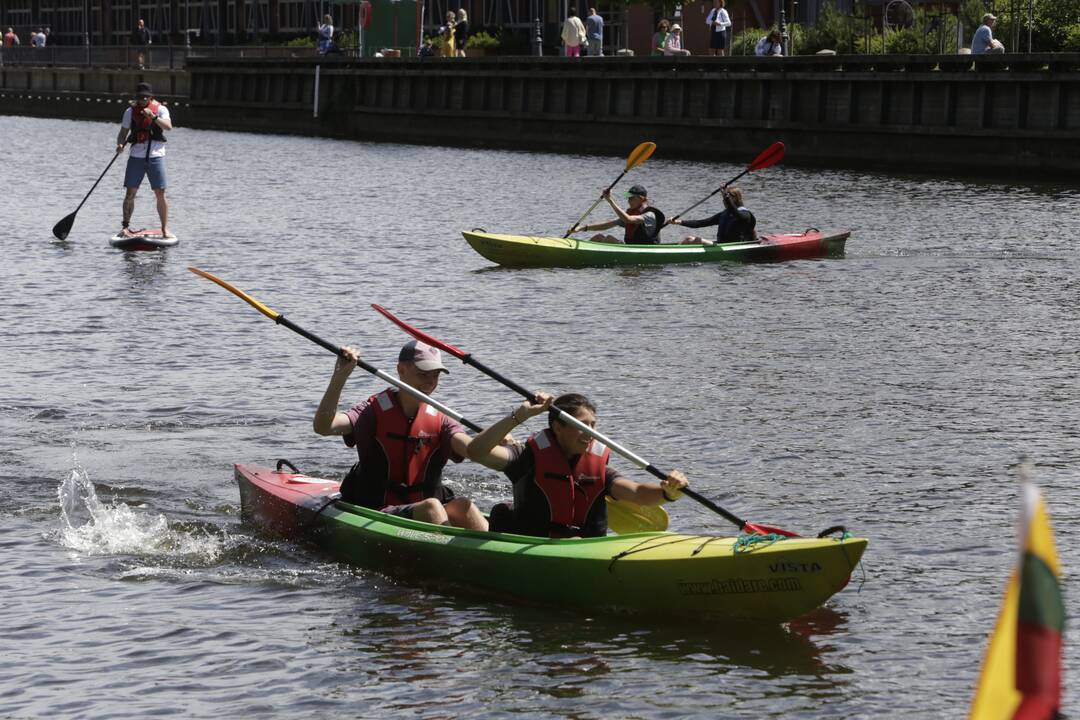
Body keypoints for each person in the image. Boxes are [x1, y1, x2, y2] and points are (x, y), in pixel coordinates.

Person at [313, 341, 488, 531]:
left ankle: (490, 555)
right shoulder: (371, 411)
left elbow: (473, 450)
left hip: (423, 508)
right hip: (377, 510)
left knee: (464, 507)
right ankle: (454, 556)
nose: (430, 382)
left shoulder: (441, 419)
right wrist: (340, 376)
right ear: (401, 370)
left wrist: (496, 437)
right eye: (422, 374)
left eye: (435, 375)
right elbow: (324, 426)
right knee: (432, 508)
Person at [467, 392, 690, 538]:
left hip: (584, 547)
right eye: (583, 425)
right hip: (536, 546)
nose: (590, 433)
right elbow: (476, 451)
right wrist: (521, 415)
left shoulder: (597, 467)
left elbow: (638, 493)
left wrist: (668, 492)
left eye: (594, 425)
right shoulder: (526, 458)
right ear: (558, 428)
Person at [115, 82, 173, 238]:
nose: (142, 100)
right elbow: (123, 133)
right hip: (136, 156)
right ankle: (125, 227)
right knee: (130, 193)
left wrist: (153, 117)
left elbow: (168, 127)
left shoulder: (160, 109)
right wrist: (120, 144)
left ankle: (164, 228)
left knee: (160, 192)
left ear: (151, 97)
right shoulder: (130, 111)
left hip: (156, 156)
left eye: (146, 97)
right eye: (140, 98)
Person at [573, 185, 664, 244]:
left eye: (631, 198)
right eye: (628, 198)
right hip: (631, 249)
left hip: (644, 250)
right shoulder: (632, 214)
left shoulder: (649, 215)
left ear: (642, 199)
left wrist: (610, 200)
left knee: (609, 239)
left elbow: (628, 219)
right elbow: (607, 225)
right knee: (598, 237)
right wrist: (582, 228)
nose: (628, 201)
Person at [671, 186, 756, 246]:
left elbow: (736, 213)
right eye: (723, 199)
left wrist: (726, 196)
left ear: (736, 198)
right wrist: (679, 222)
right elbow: (701, 223)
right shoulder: (724, 214)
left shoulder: (745, 214)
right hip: (721, 245)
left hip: (733, 247)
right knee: (689, 239)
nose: (723, 201)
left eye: (727, 199)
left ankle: (672, 253)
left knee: (690, 239)